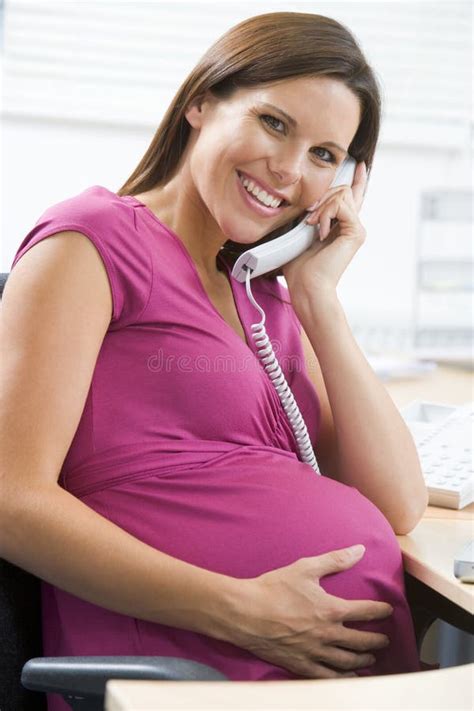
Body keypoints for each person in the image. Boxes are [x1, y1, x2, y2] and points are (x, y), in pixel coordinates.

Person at [1, 11, 428, 711]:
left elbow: (400, 500)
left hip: (309, 676)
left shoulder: (266, 297)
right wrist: (239, 610)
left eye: (325, 155)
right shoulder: (90, 242)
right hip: (191, 663)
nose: (289, 171)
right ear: (201, 102)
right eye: (274, 123)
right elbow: (9, 499)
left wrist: (317, 295)